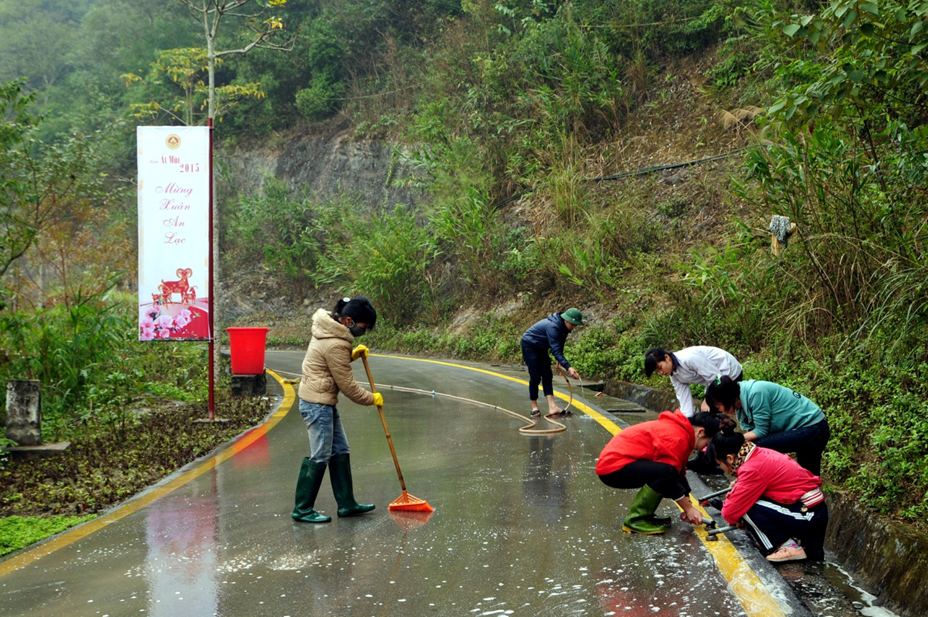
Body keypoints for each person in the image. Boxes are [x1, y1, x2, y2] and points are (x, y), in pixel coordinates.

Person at [292, 296, 383, 523]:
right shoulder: (336, 342)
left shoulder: (329, 330)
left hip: (320, 400)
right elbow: (348, 387)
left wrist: (352, 355)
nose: (363, 332)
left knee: (340, 449)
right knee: (321, 454)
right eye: (363, 328)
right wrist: (372, 399)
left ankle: (346, 504)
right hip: (317, 404)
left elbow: (330, 363)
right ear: (349, 320)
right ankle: (302, 509)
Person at [711, 416, 829, 562]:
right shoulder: (758, 454)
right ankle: (776, 540)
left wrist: (736, 516)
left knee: (746, 507)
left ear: (729, 458)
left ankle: (786, 545)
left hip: (809, 515)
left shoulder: (752, 469)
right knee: (745, 503)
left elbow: (730, 511)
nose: (723, 469)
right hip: (809, 510)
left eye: (720, 464)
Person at [595, 411, 727, 535]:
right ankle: (635, 520)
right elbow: (670, 475)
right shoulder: (677, 437)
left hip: (618, 464)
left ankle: (646, 515)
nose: (703, 448)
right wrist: (688, 509)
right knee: (666, 473)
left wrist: (688, 505)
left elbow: (678, 472)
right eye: (706, 444)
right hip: (612, 467)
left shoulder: (681, 431)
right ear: (700, 432)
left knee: (666, 473)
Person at [704, 376, 830, 476]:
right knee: (808, 477)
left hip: (813, 428)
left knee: (754, 448)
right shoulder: (741, 403)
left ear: (726, 398)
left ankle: (754, 484)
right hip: (804, 428)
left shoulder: (756, 393)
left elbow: (760, 431)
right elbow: (755, 432)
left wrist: (731, 440)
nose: (718, 409)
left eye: (718, 405)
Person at [644, 346, 743, 417]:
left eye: (660, 367)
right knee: (707, 412)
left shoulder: (688, 358)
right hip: (715, 380)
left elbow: (716, 377)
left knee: (722, 406)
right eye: (657, 371)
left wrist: (707, 399)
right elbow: (684, 399)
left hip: (729, 371)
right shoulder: (674, 375)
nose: (661, 372)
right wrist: (685, 421)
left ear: (667, 357)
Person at [520, 308, 583, 418]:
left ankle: (552, 407)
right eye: (573, 324)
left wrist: (559, 360)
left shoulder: (564, 328)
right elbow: (555, 349)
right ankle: (534, 406)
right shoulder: (553, 327)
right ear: (566, 320)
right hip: (529, 345)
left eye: (575, 325)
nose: (574, 327)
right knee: (535, 376)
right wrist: (568, 367)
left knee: (547, 375)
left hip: (542, 347)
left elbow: (560, 344)